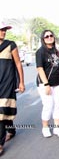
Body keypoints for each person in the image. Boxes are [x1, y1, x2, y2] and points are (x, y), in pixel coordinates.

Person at [0, 23, 25, 155]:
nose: (3, 32)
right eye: (1, 30)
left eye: (4, 30)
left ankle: (0, 144)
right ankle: (11, 130)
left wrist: (21, 82)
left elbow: (18, 64)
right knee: (4, 112)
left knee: (1, 113)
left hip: (7, 83)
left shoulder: (11, 45)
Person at [36, 30, 59, 138]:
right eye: (46, 36)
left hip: (57, 82)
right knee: (48, 105)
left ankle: (57, 128)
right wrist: (46, 84)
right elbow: (39, 68)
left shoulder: (56, 51)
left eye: (51, 35)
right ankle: (45, 128)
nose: (49, 37)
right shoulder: (40, 52)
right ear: (43, 39)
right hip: (45, 83)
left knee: (57, 105)